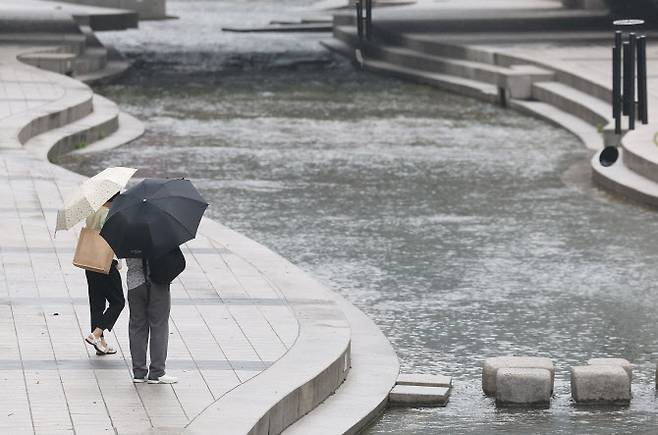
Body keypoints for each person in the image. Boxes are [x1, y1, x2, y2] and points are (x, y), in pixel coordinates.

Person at [83, 192, 124, 355]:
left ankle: (100, 343)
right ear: (114, 199)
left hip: (89, 262)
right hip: (105, 263)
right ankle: (96, 334)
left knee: (97, 303)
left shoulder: (92, 212)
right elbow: (113, 239)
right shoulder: (108, 215)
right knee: (118, 302)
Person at [126, 256, 178, 384]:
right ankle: (157, 372)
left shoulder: (127, 236)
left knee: (136, 326)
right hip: (158, 282)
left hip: (135, 284)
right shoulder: (161, 235)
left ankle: (138, 372)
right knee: (159, 326)